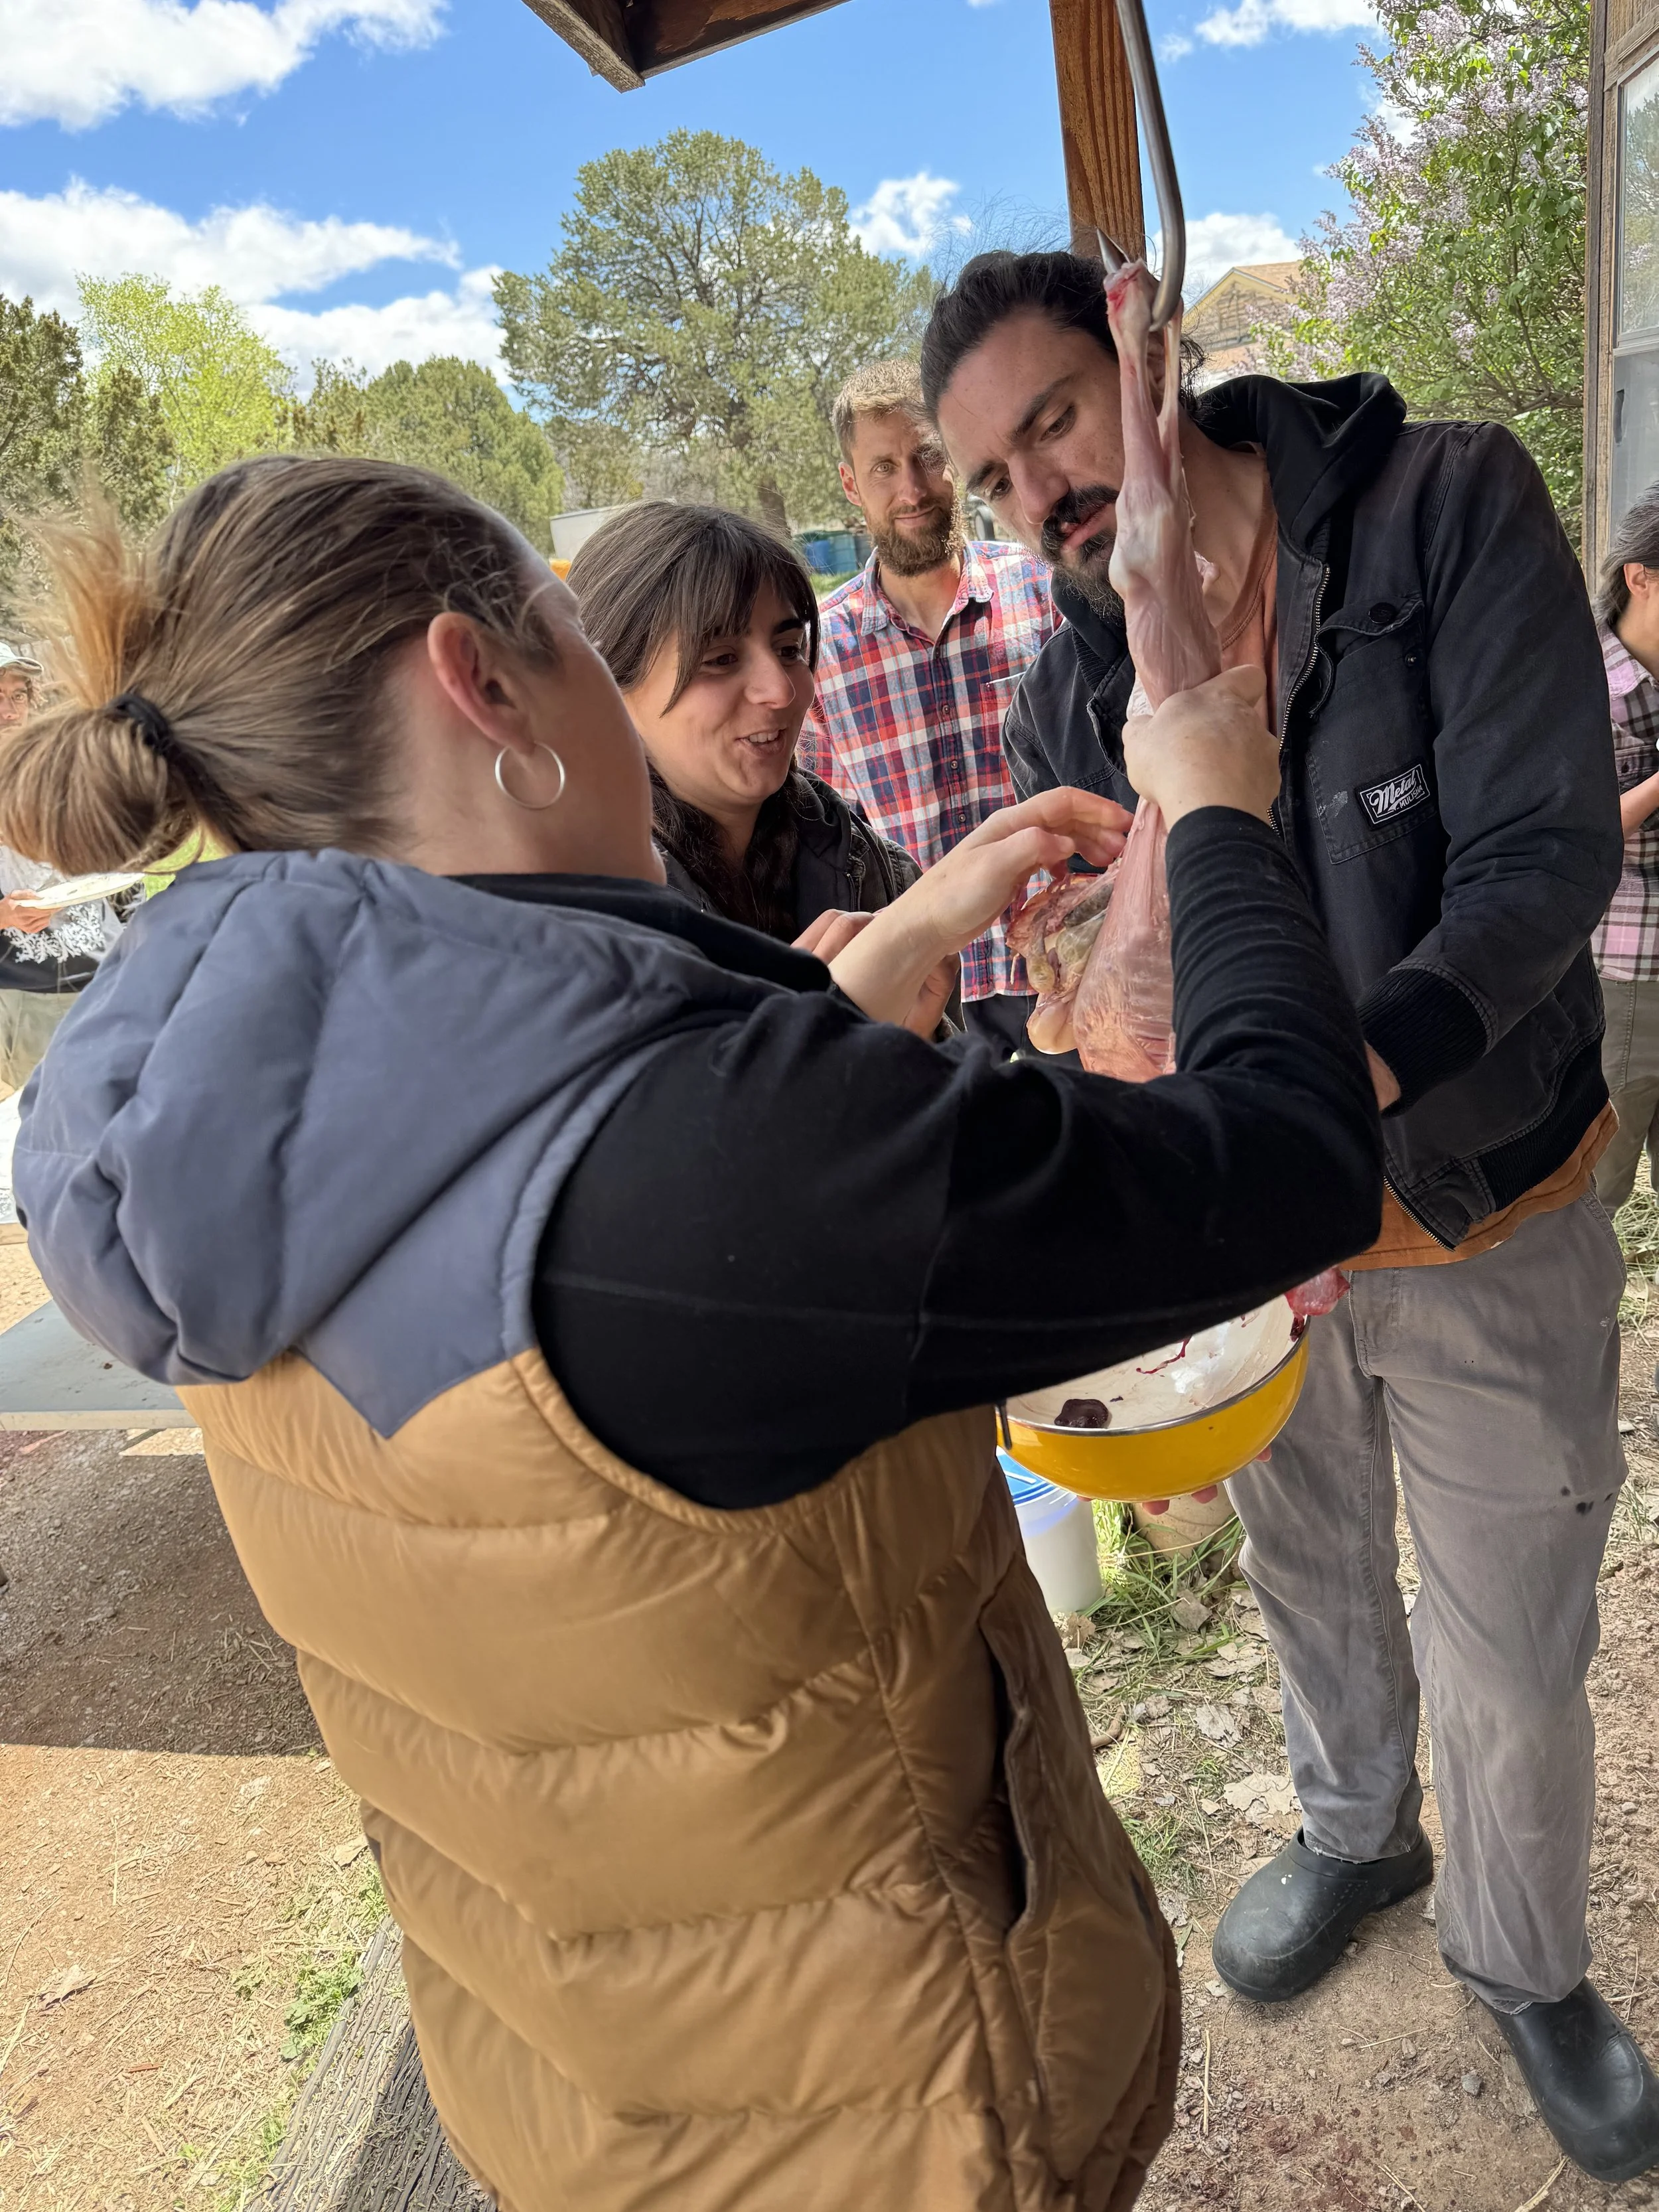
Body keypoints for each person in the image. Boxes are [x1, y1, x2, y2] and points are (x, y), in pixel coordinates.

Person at [2, 461, 1383, 2212]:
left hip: (567, 2077)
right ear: (479, 680)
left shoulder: (183, 1114)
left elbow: (531, 1204)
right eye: (574, 637)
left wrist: (851, 975)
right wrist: (1217, 805)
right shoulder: (724, 1153)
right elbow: (1292, 1159)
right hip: (894, 2114)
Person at [922, 248, 1650, 2184]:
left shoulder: (1437, 505)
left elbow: (1535, 858)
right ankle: (1352, 1830)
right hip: (1254, 1259)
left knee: (1507, 1632)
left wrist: (1331, 1088)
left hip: (1486, 1197)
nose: (1036, 499)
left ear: (1147, 354)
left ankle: (1519, 1960)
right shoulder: (1077, 681)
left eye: (1053, 425)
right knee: (1307, 1567)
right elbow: (1097, 994)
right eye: (992, 479)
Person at [567, 504, 936, 1006]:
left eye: (788, 648)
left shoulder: (865, 865)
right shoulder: (590, 934)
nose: (781, 691)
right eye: (720, 660)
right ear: (608, 684)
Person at [799, 360, 1056, 1055]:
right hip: (916, 996)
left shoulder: (1046, 596)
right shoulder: (819, 653)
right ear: (852, 484)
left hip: (1057, 968)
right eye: (883, 467)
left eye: (927, 456)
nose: (910, 488)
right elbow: (825, 829)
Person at [0, 641, 120, 1096]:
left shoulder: (71, 772)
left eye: (17, 695)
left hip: (109, 981)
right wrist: (5, 914)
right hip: (30, 1001)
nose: (9, 711)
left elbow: (121, 871)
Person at [1591, 486, 1659, 1215]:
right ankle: (1576, 1331)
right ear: (1640, 577)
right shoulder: (1579, 679)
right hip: (1627, 968)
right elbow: (1576, 830)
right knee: (1595, 1192)